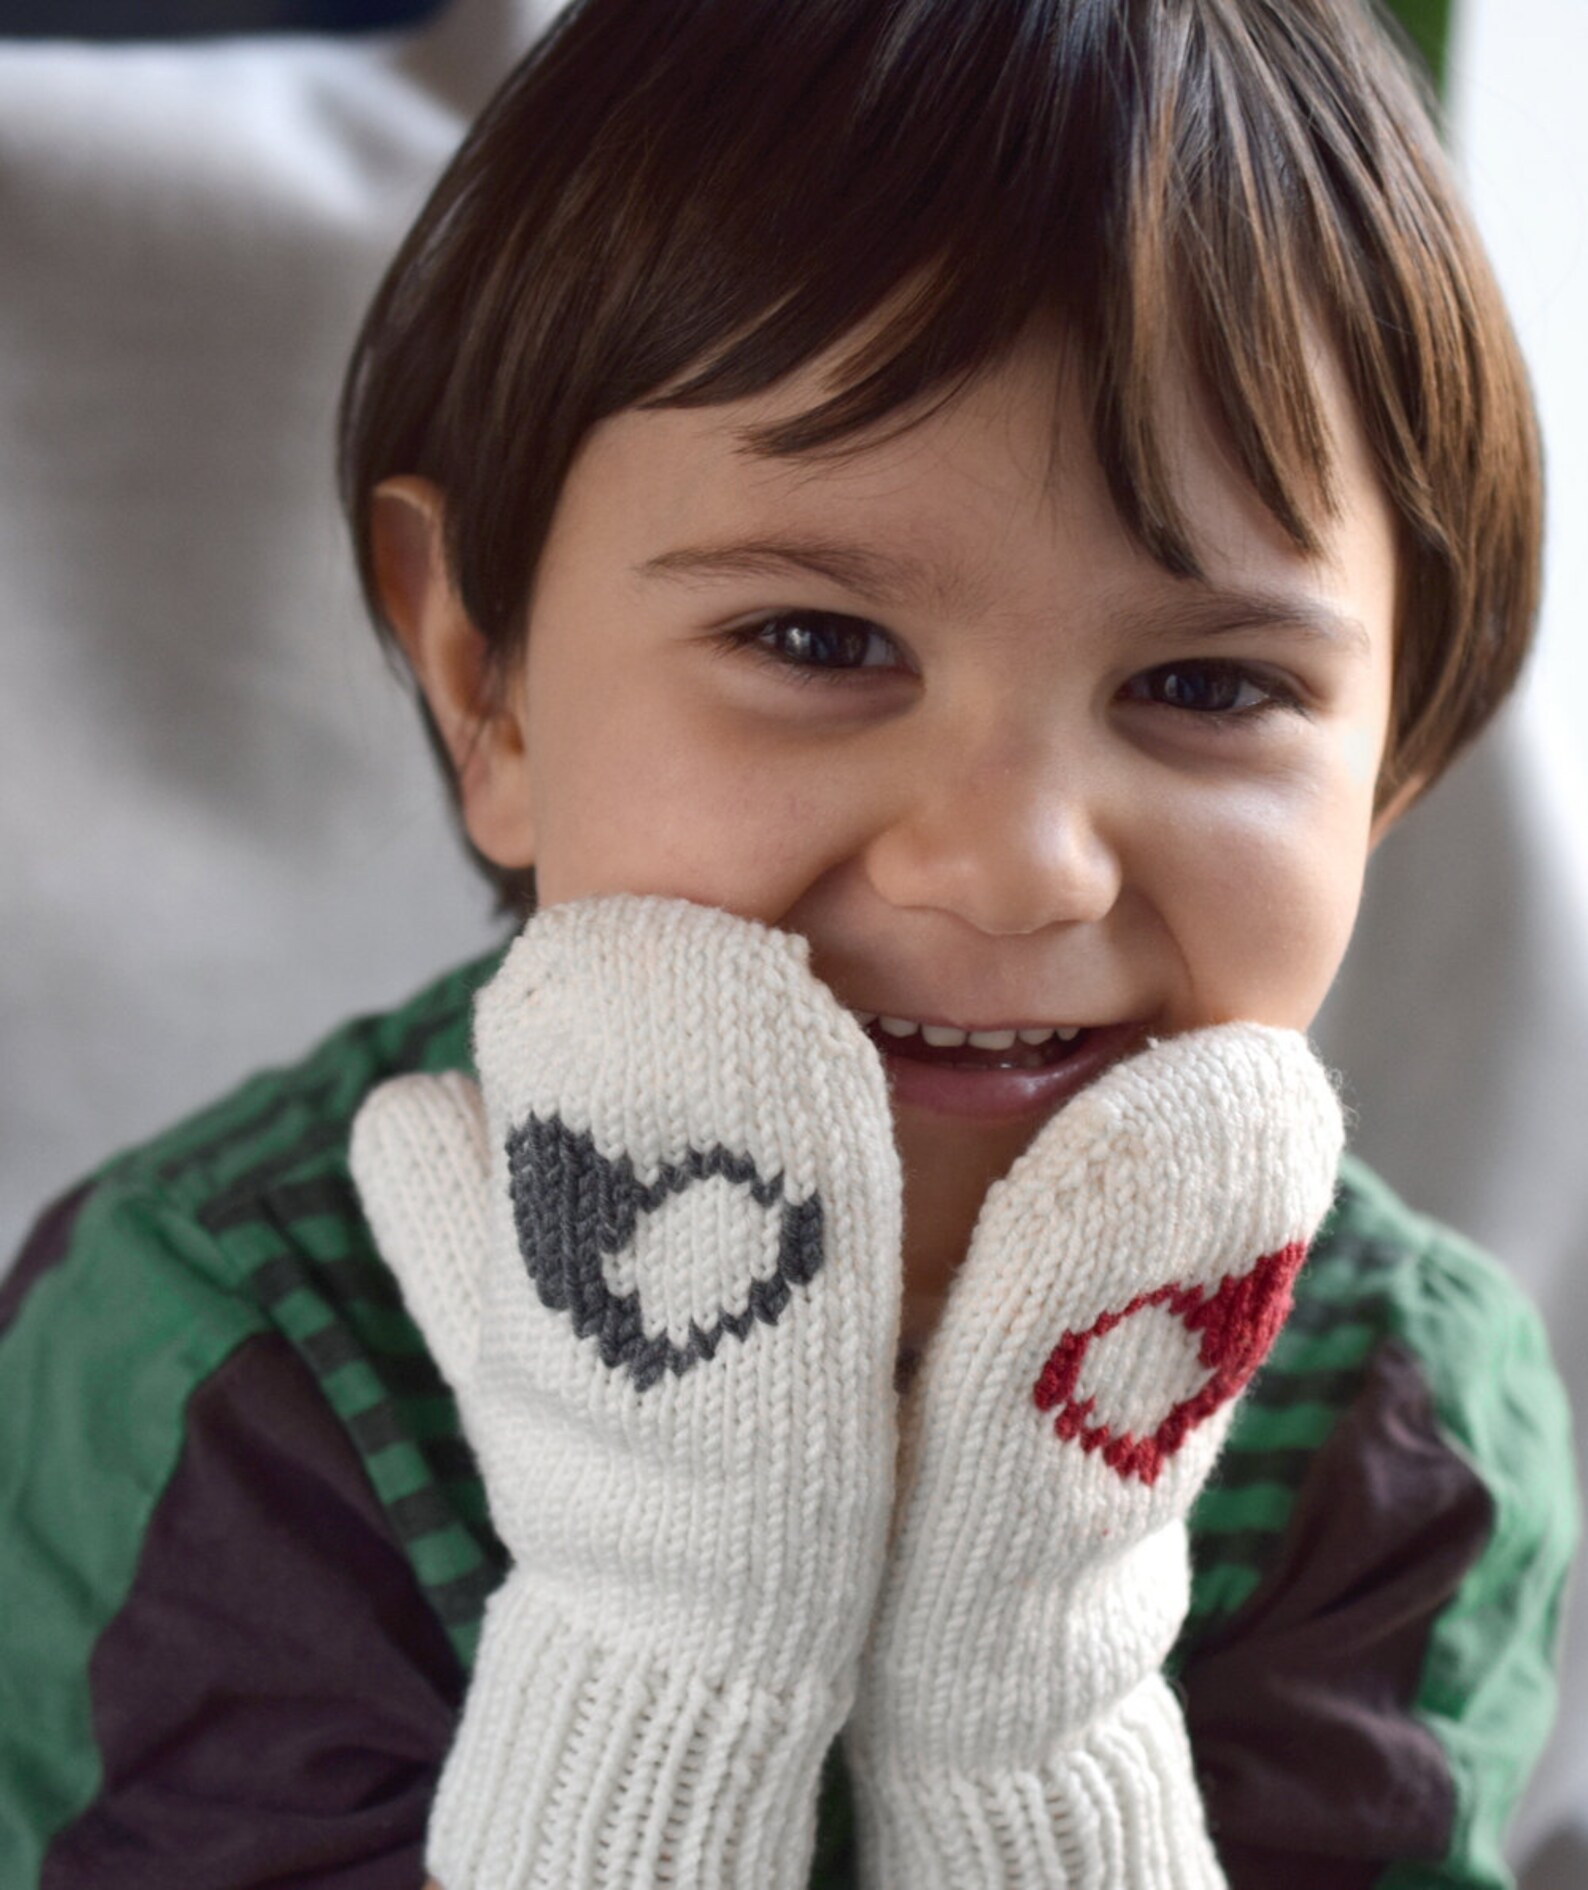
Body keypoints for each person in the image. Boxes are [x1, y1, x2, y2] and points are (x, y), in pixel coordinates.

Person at [0, 0, 1576, 1885]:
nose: (1012, 869)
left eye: (1206, 683)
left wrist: (1030, 1710)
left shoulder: (1397, 1407)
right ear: (486, 687)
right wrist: (672, 1618)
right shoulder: (201, 1346)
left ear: (1393, 769)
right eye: (821, 644)